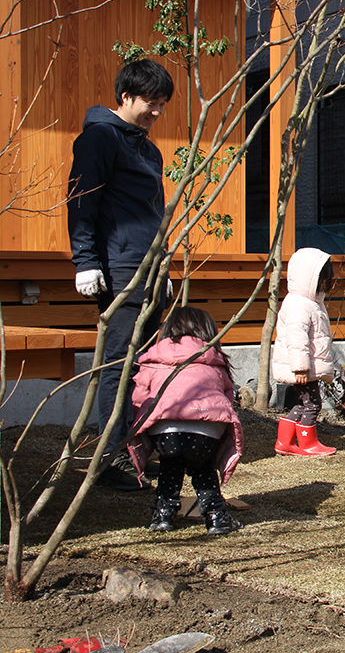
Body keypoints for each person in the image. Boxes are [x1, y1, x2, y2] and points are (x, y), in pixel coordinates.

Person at [67, 58, 174, 491]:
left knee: (144, 364)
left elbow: (156, 215)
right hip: (119, 270)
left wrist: (163, 264)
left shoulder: (148, 149)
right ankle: (110, 460)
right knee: (118, 364)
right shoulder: (99, 139)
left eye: (162, 104)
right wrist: (86, 261)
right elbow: (81, 203)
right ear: (126, 96)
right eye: (150, 102)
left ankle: (136, 450)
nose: (156, 113)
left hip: (149, 269)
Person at [127, 306, 244, 535]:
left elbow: (140, 396)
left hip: (165, 427)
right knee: (203, 468)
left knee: (170, 465)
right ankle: (216, 517)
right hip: (207, 428)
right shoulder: (214, 359)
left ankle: (163, 514)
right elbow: (226, 399)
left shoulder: (154, 358)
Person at [272, 248, 339, 457]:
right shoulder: (298, 305)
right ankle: (308, 443)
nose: (323, 285)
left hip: (306, 366)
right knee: (313, 404)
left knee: (303, 403)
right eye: (321, 280)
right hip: (302, 367)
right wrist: (300, 367)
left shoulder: (312, 303)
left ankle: (284, 442)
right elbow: (296, 338)